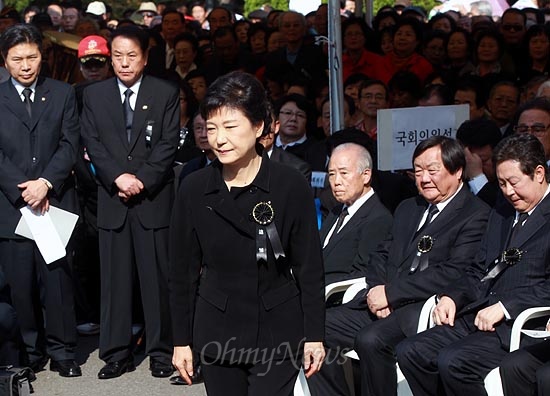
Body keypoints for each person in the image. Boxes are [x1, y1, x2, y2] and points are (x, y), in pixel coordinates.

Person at [170, 71, 326, 395]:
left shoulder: (290, 183)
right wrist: (181, 341)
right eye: (211, 128)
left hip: (278, 330)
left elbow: (309, 266)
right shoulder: (194, 187)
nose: (219, 139)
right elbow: (182, 273)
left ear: (258, 126)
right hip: (218, 328)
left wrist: (315, 334)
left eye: (230, 127)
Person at [308, 136, 490, 396]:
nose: (424, 178)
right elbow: (381, 253)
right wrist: (377, 290)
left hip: (424, 306)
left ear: (458, 171)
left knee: (371, 340)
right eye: (418, 171)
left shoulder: (475, 213)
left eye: (432, 170)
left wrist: (392, 294)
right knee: (316, 327)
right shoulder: (408, 207)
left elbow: (453, 271)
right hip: (380, 301)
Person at [397, 133, 550, 396]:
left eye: (514, 182)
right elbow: (480, 268)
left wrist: (506, 307)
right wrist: (453, 297)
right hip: (477, 311)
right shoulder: (502, 209)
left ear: (538, 173)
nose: (508, 192)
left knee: (454, 362)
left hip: (520, 325)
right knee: (411, 351)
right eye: (501, 184)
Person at [80, 25, 179, 380]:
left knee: (157, 280)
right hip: (113, 199)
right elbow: (92, 140)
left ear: (145, 57)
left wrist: (142, 180)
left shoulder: (165, 92)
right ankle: (116, 352)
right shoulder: (94, 95)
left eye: (131, 56)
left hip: (152, 199)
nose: (123, 63)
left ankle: (162, 351)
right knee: (115, 282)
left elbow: (169, 144)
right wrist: (117, 178)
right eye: (117, 56)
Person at [0, 23, 81, 377]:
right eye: (17, 59)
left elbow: (69, 143)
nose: (26, 65)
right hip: (12, 205)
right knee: (21, 283)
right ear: (5, 61)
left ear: (41, 56)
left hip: (52, 201)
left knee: (57, 281)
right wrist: (24, 188)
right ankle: (31, 351)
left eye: (32, 57)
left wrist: (45, 183)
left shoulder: (63, 94)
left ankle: (64, 352)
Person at [321, 143, 392, 285]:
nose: (336, 182)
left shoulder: (378, 218)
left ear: (366, 175)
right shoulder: (336, 211)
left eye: (344, 173)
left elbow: (363, 273)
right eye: (332, 174)